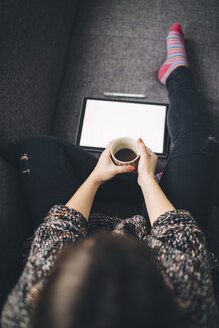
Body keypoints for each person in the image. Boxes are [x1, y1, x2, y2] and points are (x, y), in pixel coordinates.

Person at [1, 23, 219, 328]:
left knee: (38, 150)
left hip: (82, 226)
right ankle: (176, 74)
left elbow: (60, 228)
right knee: (199, 143)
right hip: (161, 232)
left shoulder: (28, 307)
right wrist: (146, 181)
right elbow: (178, 234)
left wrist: (95, 177)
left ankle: (150, 182)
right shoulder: (187, 303)